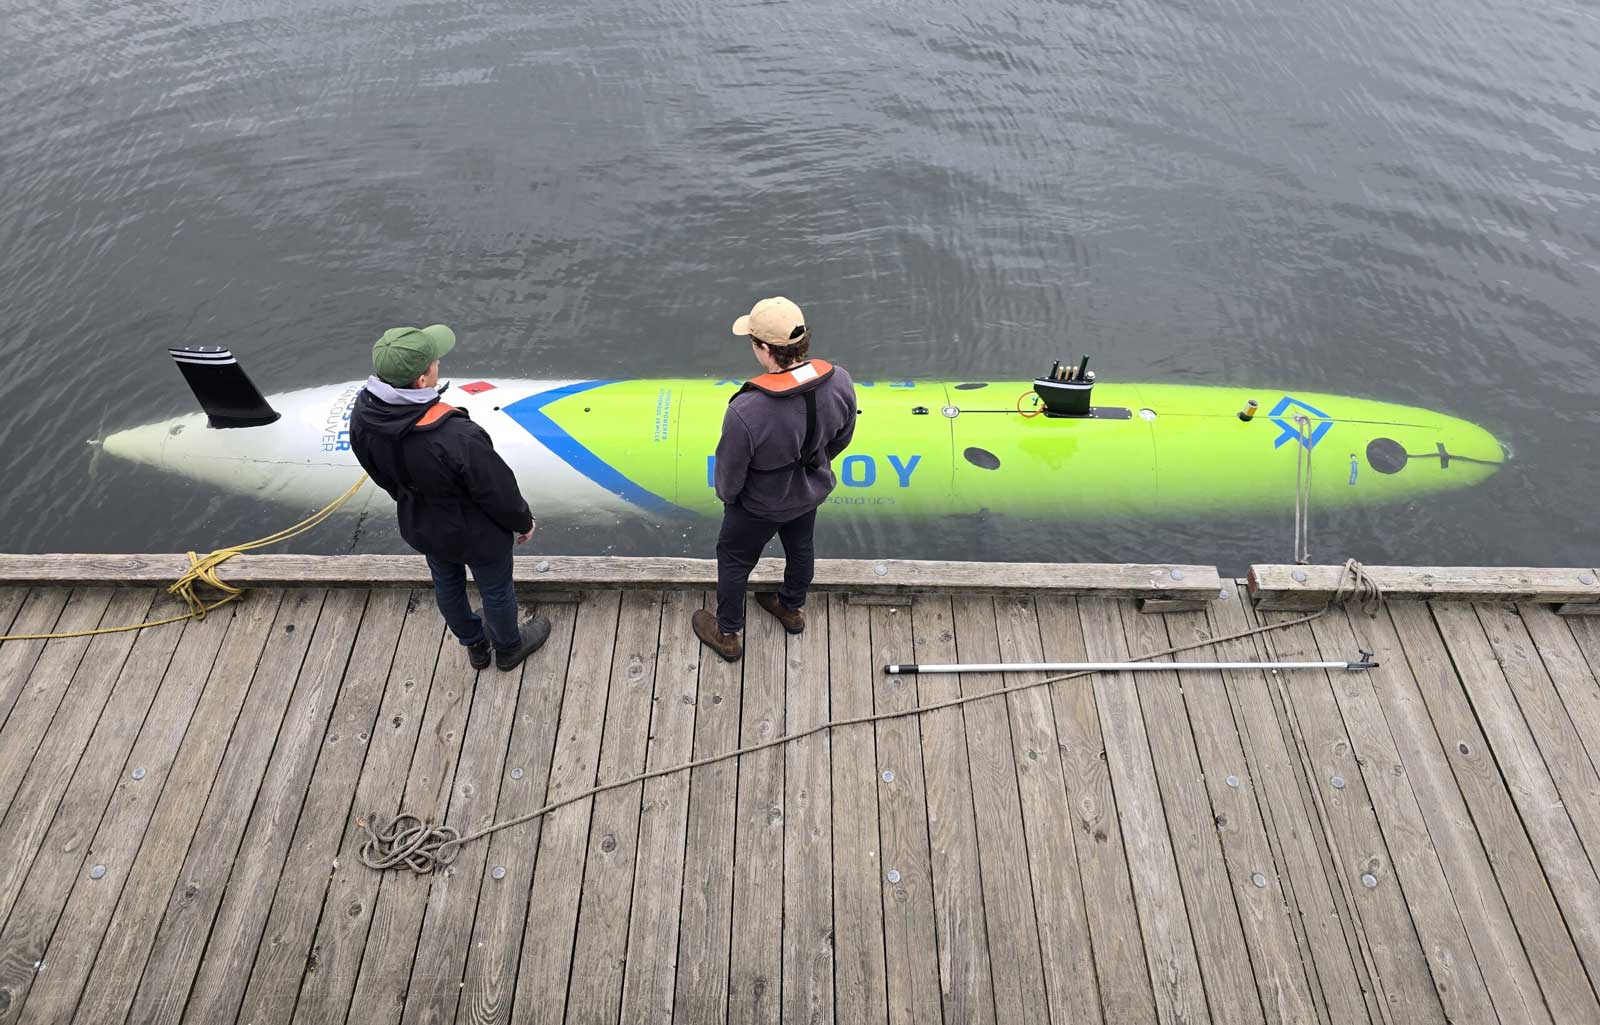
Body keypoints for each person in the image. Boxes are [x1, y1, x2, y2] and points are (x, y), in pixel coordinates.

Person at [348, 324, 550, 672]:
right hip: (478, 535)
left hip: (423, 526)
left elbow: (378, 472)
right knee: (496, 590)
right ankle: (509, 648)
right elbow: (496, 489)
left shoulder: (363, 418)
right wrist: (523, 521)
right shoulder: (455, 435)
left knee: (446, 583)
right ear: (422, 381)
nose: (438, 362)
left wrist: (409, 499)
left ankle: (475, 646)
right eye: (433, 362)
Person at [693, 296, 857, 661]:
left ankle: (728, 633)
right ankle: (791, 608)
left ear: (765, 349)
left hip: (758, 505)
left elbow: (729, 478)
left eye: (753, 342)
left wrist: (731, 499)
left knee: (734, 560)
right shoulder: (840, 380)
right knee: (801, 548)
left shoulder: (746, 410)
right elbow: (843, 436)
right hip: (809, 492)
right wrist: (814, 466)